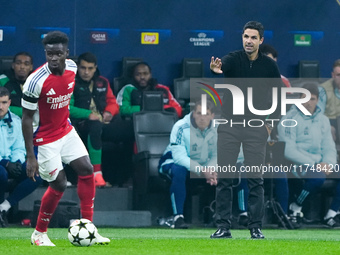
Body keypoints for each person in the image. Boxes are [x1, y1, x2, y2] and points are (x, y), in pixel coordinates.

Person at [21, 31, 110, 246]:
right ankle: (39, 233)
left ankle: (89, 227)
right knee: (59, 184)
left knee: (87, 170)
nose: (53, 58)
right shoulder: (35, 81)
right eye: (49, 54)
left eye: (57, 54)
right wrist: (30, 156)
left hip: (66, 131)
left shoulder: (71, 68)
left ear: (66, 54)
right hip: (44, 139)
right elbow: (26, 119)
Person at [209, 21, 282, 239]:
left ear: (261, 40)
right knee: (225, 178)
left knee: (255, 180)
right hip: (230, 126)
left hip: (256, 127)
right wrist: (216, 70)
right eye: (245, 37)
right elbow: (221, 67)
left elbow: (278, 98)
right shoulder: (233, 58)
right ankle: (223, 226)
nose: (248, 41)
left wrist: (270, 124)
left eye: (253, 38)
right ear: (242, 37)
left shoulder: (269, 66)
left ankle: (255, 227)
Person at [278, 83, 340, 228]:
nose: (308, 102)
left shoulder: (323, 120)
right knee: (318, 177)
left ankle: (331, 214)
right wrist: (315, 164)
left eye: (312, 99)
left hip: (320, 163)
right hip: (296, 163)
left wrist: (329, 163)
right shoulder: (289, 119)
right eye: (304, 98)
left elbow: (329, 147)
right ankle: (296, 206)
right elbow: (288, 150)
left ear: (317, 100)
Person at [70, 52, 134, 187]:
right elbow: (67, 108)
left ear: (95, 68)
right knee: (95, 126)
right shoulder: (70, 82)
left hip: (104, 122)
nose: (86, 72)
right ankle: (96, 174)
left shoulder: (102, 82)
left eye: (90, 68)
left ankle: (129, 177)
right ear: (77, 67)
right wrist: (88, 114)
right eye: (83, 68)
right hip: (82, 124)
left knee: (132, 128)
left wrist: (109, 113)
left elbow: (112, 102)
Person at [158, 100, 217, 228]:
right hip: (171, 162)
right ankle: (178, 217)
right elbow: (179, 158)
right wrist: (202, 171)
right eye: (199, 113)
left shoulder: (217, 128)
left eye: (206, 114)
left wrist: (211, 169)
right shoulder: (180, 127)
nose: (202, 118)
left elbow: (217, 154)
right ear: (193, 113)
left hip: (202, 166)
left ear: (212, 116)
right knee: (179, 169)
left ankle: (223, 216)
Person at [0, 87, 42, 227]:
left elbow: (19, 146)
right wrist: (5, 163)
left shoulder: (17, 121)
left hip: (11, 162)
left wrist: (17, 162)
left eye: (4, 102)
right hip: (2, 164)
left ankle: (4, 207)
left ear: (9, 102)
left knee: (36, 172)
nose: (1, 106)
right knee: (2, 174)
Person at [116, 62, 182, 118]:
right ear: (133, 76)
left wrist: (161, 109)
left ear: (150, 75)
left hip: (163, 123)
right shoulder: (127, 89)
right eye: (138, 74)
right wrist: (147, 108)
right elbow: (121, 109)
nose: (142, 77)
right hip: (137, 123)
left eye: (145, 74)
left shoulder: (162, 89)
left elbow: (178, 109)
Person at [0, 52, 34, 117]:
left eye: (26, 64)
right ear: (13, 65)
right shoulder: (2, 80)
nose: (22, 67)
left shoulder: (37, 82)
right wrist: (23, 112)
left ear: (31, 67)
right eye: (18, 63)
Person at [318, 59, 340, 141]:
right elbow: (318, 115)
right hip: (330, 122)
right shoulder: (323, 90)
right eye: (339, 75)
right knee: (329, 130)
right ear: (333, 75)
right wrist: (327, 127)